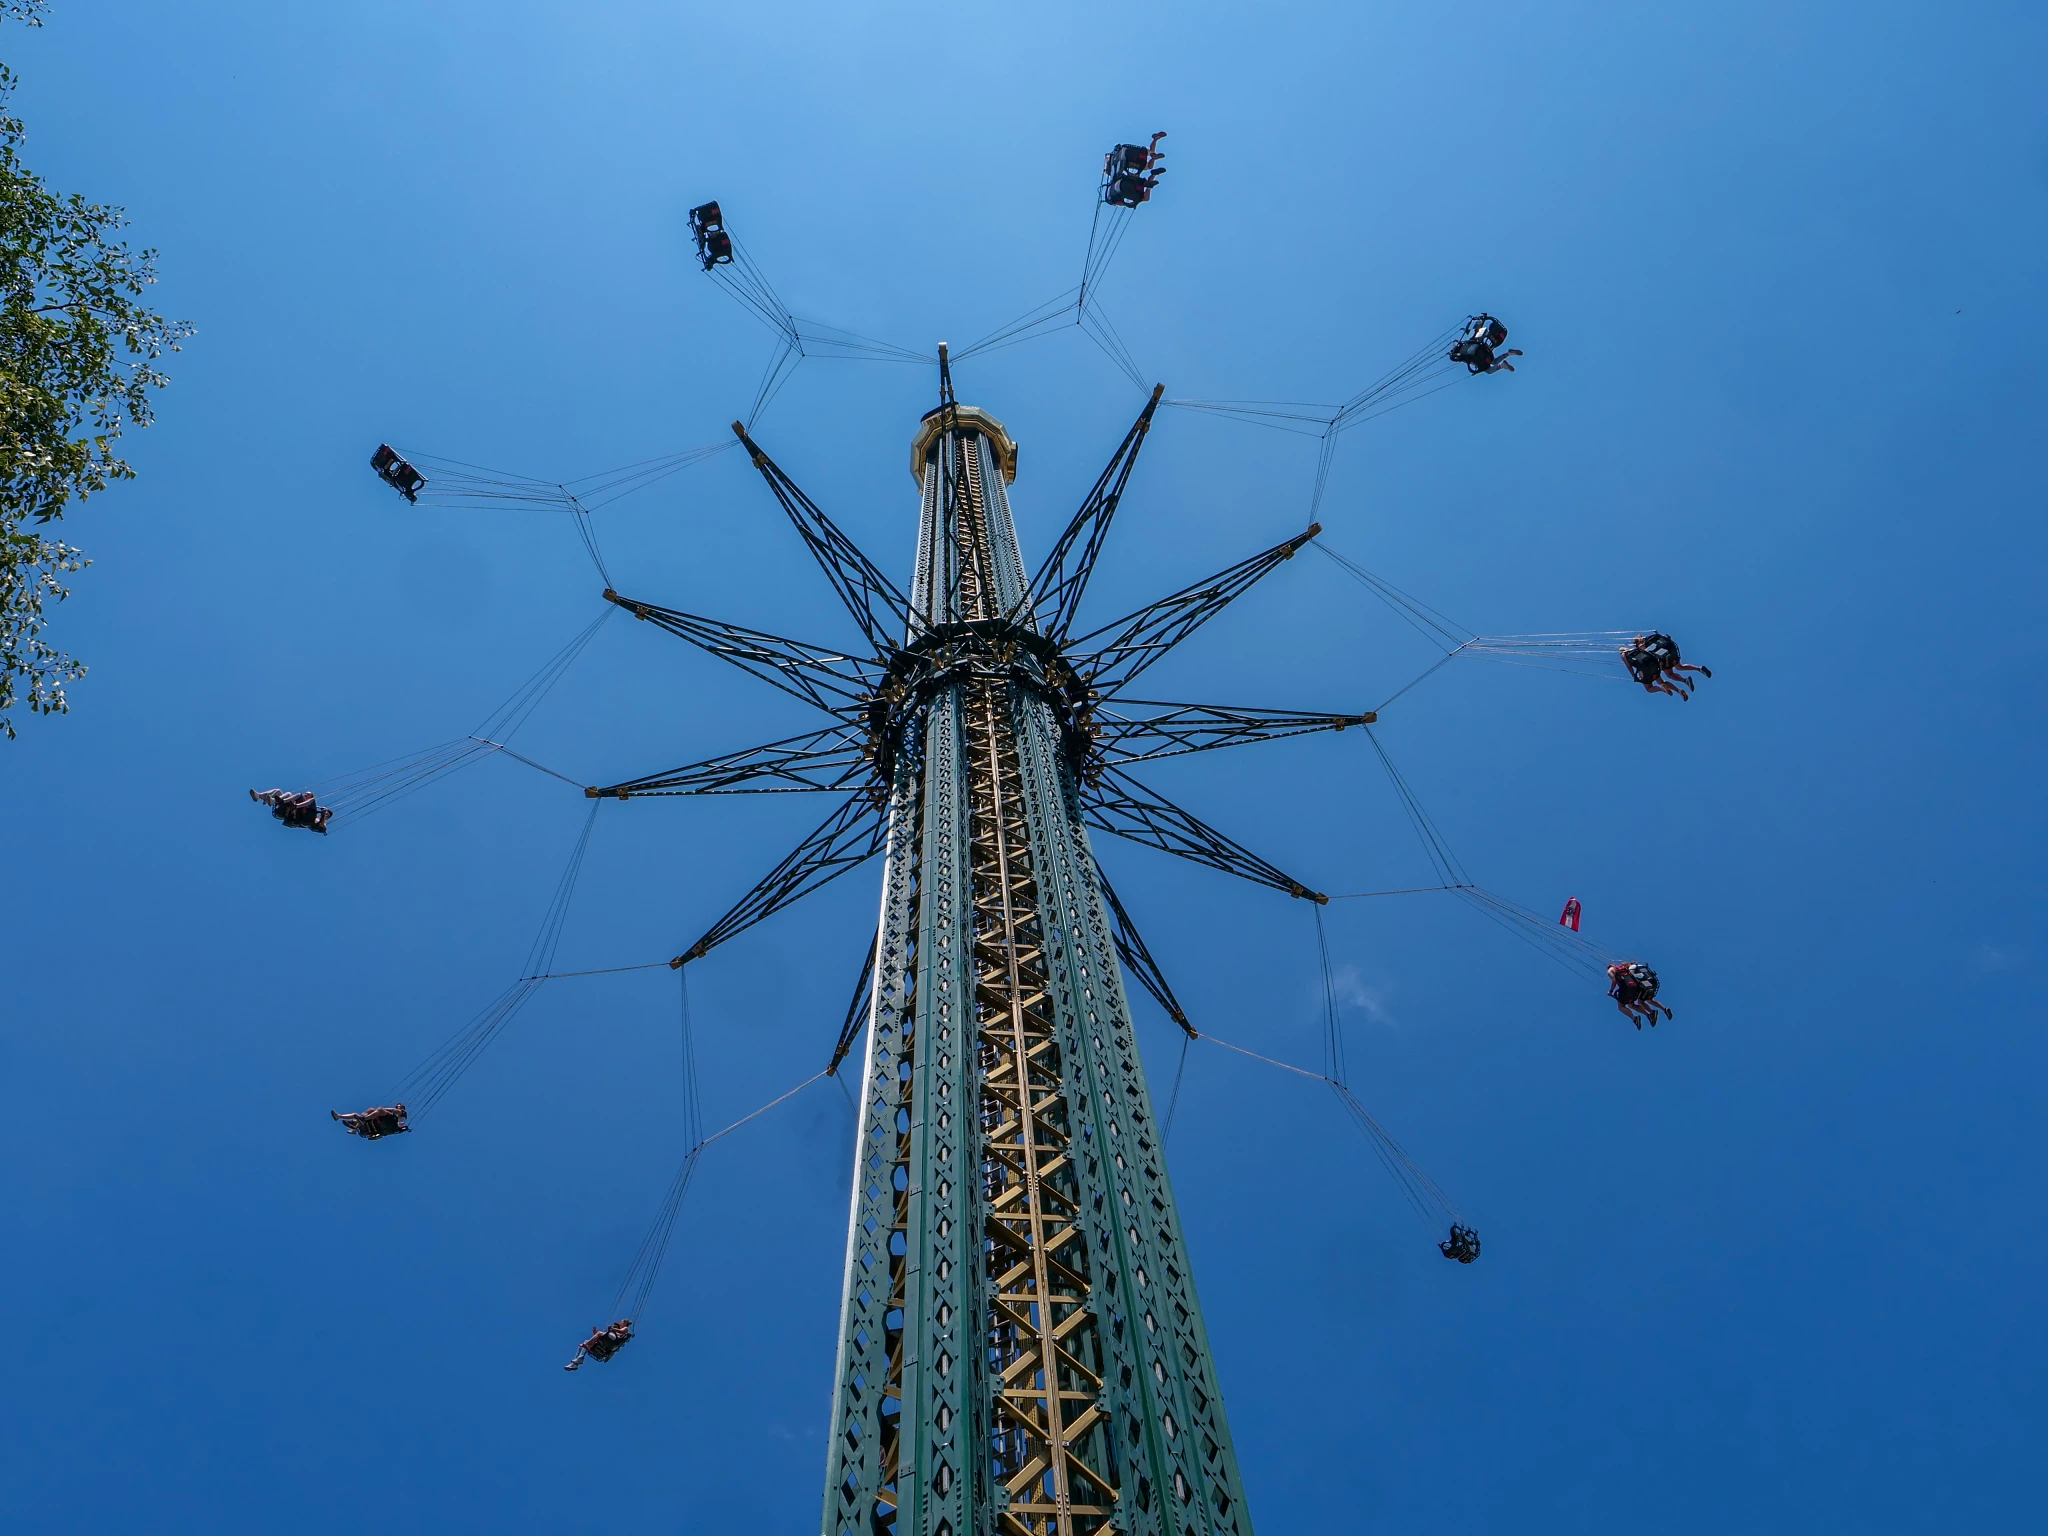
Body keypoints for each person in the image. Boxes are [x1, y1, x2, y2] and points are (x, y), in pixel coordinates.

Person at [1619, 632, 1710, 699]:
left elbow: (1629, 666)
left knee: (1657, 684)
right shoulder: (1651, 640)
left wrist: (1634, 676)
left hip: (1654, 665)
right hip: (1666, 655)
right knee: (1679, 668)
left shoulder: (1631, 653)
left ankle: (1668, 688)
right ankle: (1698, 670)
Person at [1607, 961, 1672, 1028]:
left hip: (1628, 987)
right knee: (1639, 1003)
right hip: (1639, 986)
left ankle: (1635, 1018)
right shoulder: (1624, 967)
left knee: (1621, 1007)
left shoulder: (1610, 970)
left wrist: (1610, 991)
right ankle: (1661, 1010)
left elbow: (1614, 981)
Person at [1449, 314, 1522, 374]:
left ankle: (1503, 363)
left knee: (1489, 370)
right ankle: (1508, 354)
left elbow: (1462, 358)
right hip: (1481, 349)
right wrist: (1482, 319)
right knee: (1493, 362)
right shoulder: (1463, 347)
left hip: (1476, 350)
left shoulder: (1461, 350)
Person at [250, 787, 333, 834]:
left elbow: (320, 827)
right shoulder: (304, 803)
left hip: (297, 818)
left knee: (300, 797)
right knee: (281, 792)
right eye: (306, 794)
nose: (306, 795)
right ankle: (259, 796)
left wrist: (323, 813)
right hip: (286, 811)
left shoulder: (319, 819)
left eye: (308, 795)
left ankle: (276, 801)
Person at [565, 1320, 633, 1371]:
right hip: (608, 1340)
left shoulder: (625, 1328)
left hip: (613, 1341)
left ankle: (587, 1345)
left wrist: (613, 1329)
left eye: (622, 1322)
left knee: (599, 1334)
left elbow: (622, 1332)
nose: (621, 1323)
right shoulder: (613, 1331)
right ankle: (575, 1363)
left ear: (625, 1323)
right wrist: (595, 1332)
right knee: (584, 1344)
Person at [332, 1103, 409, 1139]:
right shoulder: (393, 1116)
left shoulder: (402, 1112)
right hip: (388, 1123)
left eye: (399, 1107)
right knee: (370, 1110)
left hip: (393, 1125)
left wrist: (381, 1110)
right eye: (397, 1107)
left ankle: (362, 1119)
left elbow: (393, 1110)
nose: (397, 1108)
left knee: (380, 1110)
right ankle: (339, 1117)